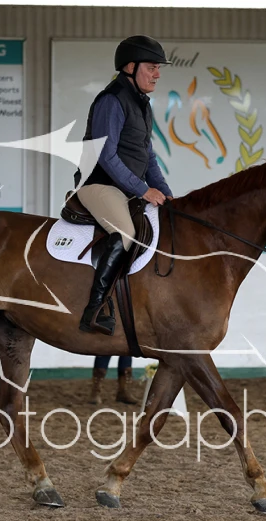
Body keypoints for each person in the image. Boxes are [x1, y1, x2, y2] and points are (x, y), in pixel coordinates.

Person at [75, 35, 174, 336]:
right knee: (126, 232)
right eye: (152, 67)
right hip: (98, 184)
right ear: (130, 67)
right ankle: (95, 308)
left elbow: (148, 156)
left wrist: (167, 194)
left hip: (125, 189)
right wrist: (143, 190)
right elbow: (106, 155)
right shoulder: (111, 100)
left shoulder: (142, 104)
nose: (157, 74)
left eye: (159, 68)